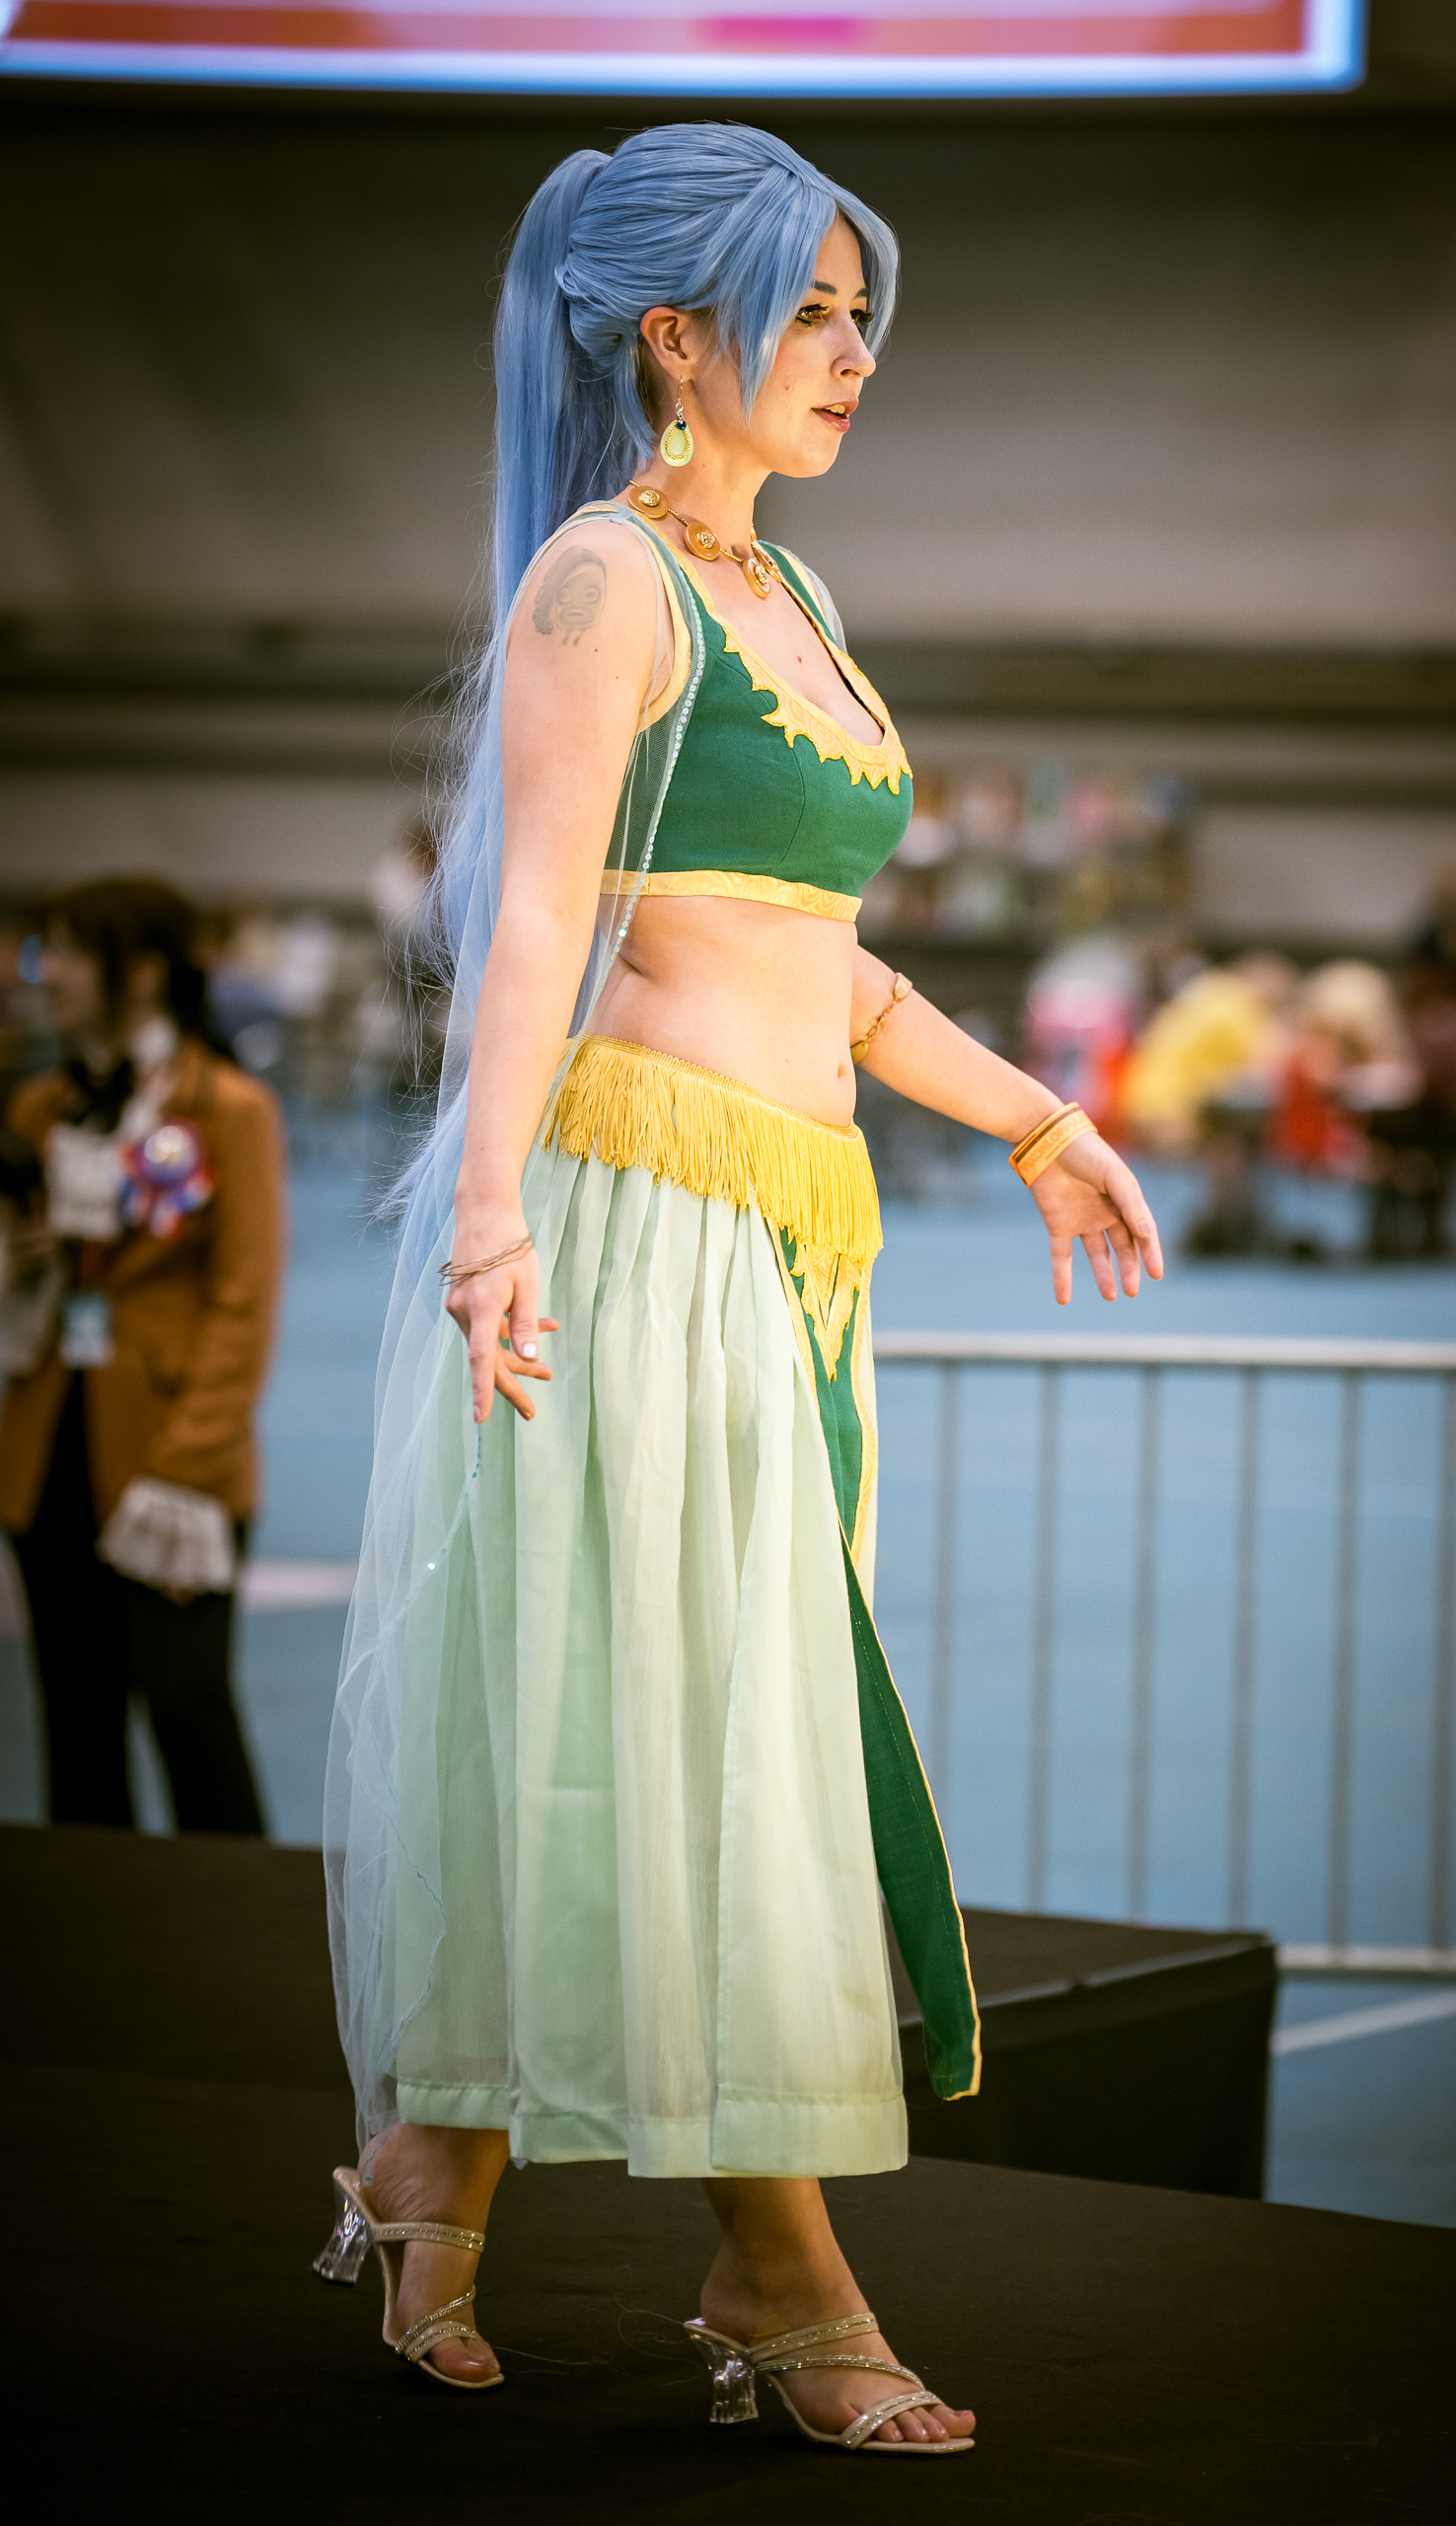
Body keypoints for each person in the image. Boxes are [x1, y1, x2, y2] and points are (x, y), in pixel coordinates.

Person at [317, 124, 1163, 2449]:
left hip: (787, 1234)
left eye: (861, 312)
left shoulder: (782, 586)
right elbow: (536, 920)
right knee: (688, 1722)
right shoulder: (602, 582)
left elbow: (830, 967)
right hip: (636, 1224)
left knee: (674, 1698)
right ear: (672, 339)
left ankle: (432, 2163)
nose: (852, 352)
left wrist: (1036, 1115)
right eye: (808, 309)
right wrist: (485, 1215)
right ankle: (778, 2266)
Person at [0, 877, 285, 1830]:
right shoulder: (40, 1108)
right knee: (75, 1727)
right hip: (47, 1453)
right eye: (47, 950)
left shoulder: (229, 1109)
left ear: (148, 971)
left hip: (170, 1456)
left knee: (189, 1715)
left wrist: (185, 1469)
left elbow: (243, 1306)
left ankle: (237, 1916)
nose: (51, 973)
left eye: (73, 952)